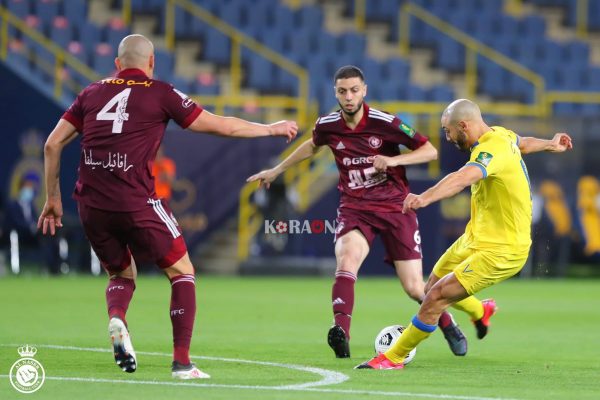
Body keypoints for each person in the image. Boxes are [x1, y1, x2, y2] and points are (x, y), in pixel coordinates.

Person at [37, 34, 298, 379]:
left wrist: (52, 199)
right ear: (151, 62)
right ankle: (182, 363)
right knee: (182, 272)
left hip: (91, 204)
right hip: (136, 200)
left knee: (120, 273)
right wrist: (270, 128)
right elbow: (219, 125)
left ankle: (118, 318)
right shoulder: (161, 92)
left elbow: (52, 144)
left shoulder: (90, 93)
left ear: (117, 64)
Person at [247, 65, 468, 359]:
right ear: (335, 93)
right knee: (347, 259)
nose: (348, 97)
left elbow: (430, 151)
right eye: (342, 91)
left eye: (354, 90)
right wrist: (277, 170)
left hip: (394, 207)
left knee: (415, 287)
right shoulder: (328, 125)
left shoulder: (385, 122)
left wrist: (390, 162)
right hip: (355, 208)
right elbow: (311, 146)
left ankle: (448, 323)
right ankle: (341, 333)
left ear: (364, 91)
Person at [357, 98, 573, 370]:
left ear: (463, 125)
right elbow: (522, 143)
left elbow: (461, 177)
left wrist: (424, 198)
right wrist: (550, 144)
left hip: (502, 250)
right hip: (476, 238)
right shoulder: (500, 135)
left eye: (448, 131)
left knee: (436, 297)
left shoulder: (491, 150)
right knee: (430, 287)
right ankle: (481, 311)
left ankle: (393, 357)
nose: (447, 137)